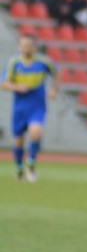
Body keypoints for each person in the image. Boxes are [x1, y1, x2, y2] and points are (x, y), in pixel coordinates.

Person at [2, 34, 59, 182]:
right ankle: (19, 167)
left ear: (35, 47)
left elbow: (56, 74)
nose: (25, 48)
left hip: (37, 105)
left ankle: (31, 162)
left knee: (36, 131)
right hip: (20, 107)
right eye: (23, 45)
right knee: (19, 140)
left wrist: (54, 89)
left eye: (28, 45)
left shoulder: (44, 62)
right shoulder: (14, 63)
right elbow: (3, 84)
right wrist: (17, 87)